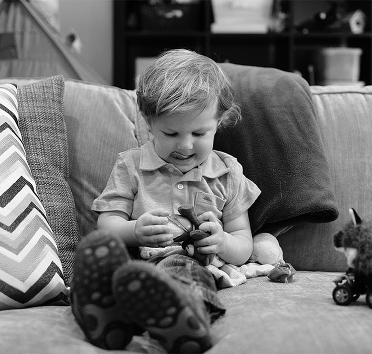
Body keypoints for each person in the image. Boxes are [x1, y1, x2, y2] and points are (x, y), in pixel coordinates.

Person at [71, 49, 281, 352]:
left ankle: (184, 323)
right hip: (135, 264)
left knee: (183, 272)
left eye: (199, 132)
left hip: (187, 263)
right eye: (170, 133)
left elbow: (243, 244)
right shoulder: (130, 166)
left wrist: (221, 242)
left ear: (219, 122)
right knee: (109, 263)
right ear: (148, 123)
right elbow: (106, 226)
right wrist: (133, 231)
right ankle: (107, 316)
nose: (184, 145)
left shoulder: (227, 173)